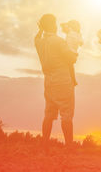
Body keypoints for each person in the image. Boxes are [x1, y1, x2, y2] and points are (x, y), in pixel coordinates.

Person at [34, 14, 77, 147]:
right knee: (66, 115)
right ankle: (69, 145)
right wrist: (75, 48)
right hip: (63, 81)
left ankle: (44, 144)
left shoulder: (39, 43)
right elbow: (72, 59)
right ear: (54, 25)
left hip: (49, 83)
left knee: (48, 114)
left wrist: (41, 28)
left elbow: (36, 37)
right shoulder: (59, 41)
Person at [60, 20, 83, 86]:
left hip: (71, 52)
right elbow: (81, 42)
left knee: (69, 66)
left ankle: (73, 80)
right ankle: (73, 80)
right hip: (72, 53)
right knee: (70, 67)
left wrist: (65, 25)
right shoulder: (74, 33)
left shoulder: (72, 33)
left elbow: (80, 41)